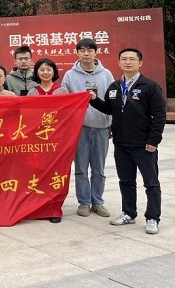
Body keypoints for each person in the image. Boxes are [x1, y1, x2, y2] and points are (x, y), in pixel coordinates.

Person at [89, 48, 166, 235]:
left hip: (144, 144)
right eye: (124, 59)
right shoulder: (115, 87)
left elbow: (159, 116)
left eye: (132, 59)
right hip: (121, 143)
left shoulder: (150, 86)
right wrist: (93, 100)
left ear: (140, 63)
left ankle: (152, 218)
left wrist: (153, 140)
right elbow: (109, 109)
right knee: (126, 181)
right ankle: (129, 213)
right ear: (119, 62)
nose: (128, 62)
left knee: (151, 183)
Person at [62, 38, 114, 219]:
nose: (86, 53)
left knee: (99, 169)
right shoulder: (70, 75)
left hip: (101, 127)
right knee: (81, 168)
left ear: (95, 52)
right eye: (82, 50)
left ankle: (97, 202)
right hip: (80, 129)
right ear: (77, 53)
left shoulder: (106, 74)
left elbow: (112, 101)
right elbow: (65, 102)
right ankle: (84, 202)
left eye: (89, 50)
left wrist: (112, 123)